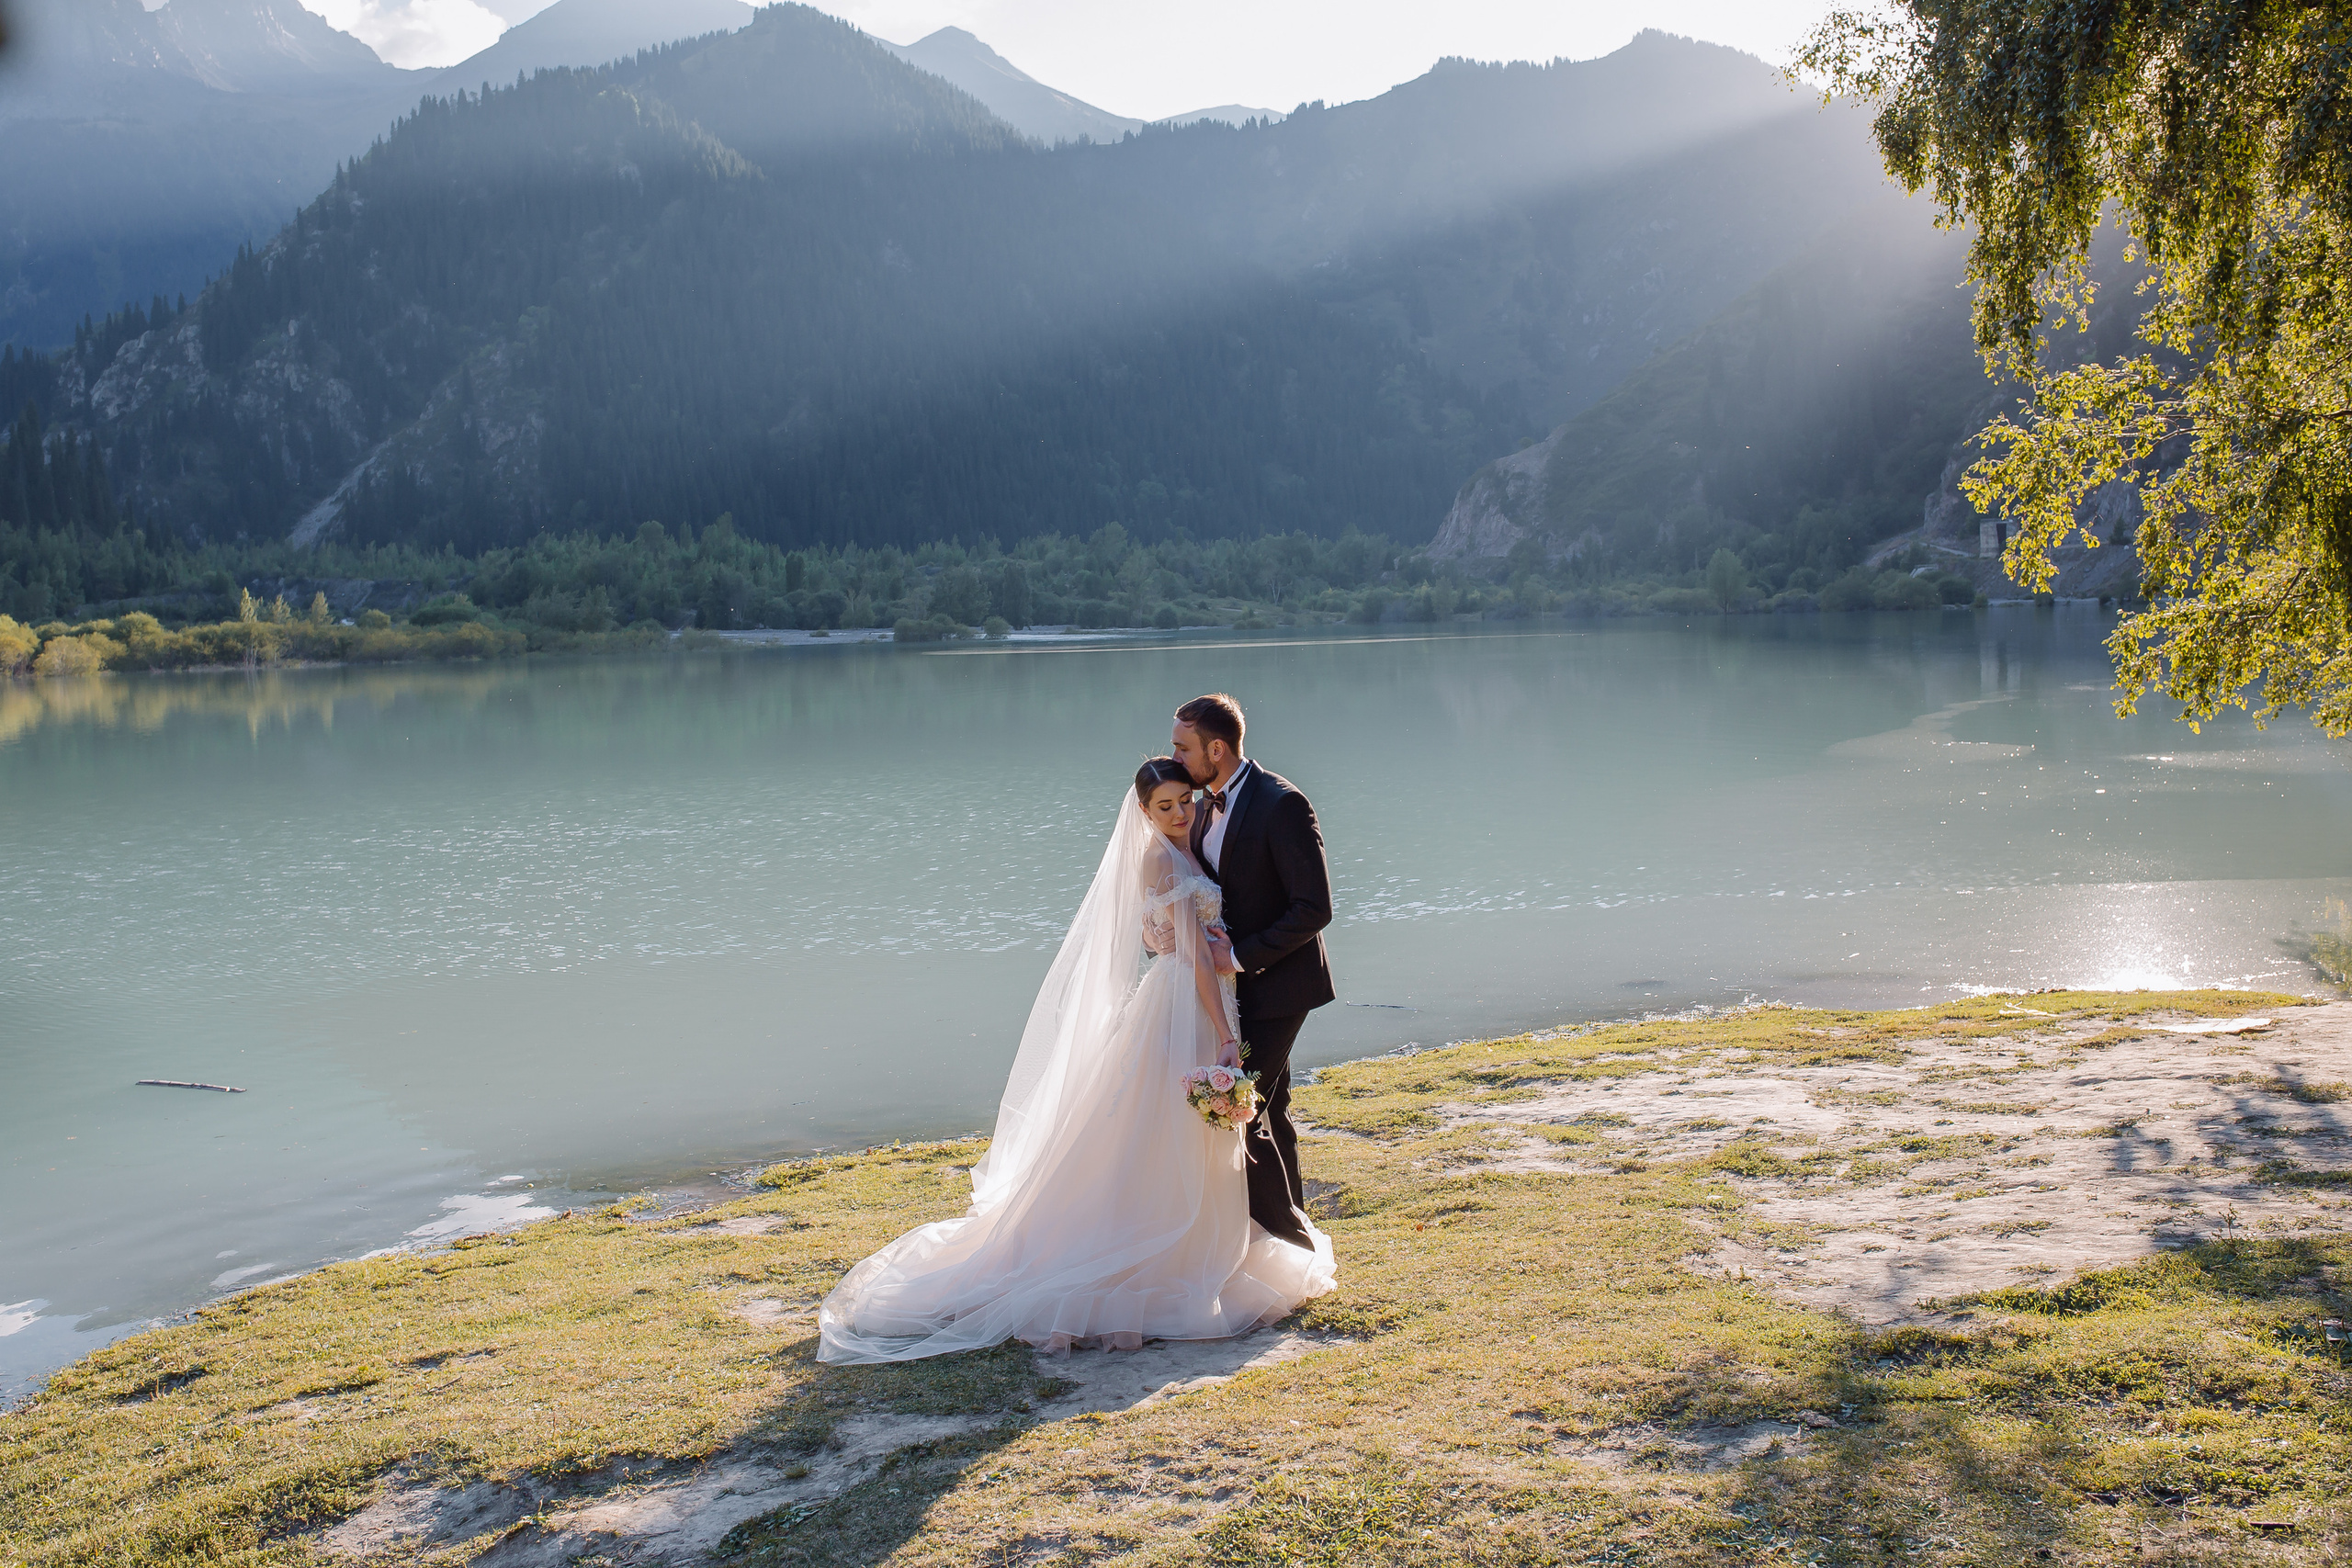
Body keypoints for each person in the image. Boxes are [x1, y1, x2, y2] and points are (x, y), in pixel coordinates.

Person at [818, 756, 1336, 1363]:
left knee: (1173, 1129)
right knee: (1163, 1126)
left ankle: (1203, 1238)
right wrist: (1226, 1034)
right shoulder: (1157, 855)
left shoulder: (1188, 847)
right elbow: (1191, 956)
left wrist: (1197, 941)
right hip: (1186, 1005)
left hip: (1188, 996)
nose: (1178, 812)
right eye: (1163, 806)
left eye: (1184, 801)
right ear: (1143, 811)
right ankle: (1152, 1253)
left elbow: (1163, 933)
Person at [1170, 694, 1335, 1248]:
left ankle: (1292, 1248)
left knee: (1241, 1106)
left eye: (1183, 747)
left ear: (1216, 749)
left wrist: (1236, 957)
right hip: (1228, 990)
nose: (1177, 756)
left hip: (1279, 985)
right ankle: (1293, 1229)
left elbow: (1314, 909)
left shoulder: (1281, 804)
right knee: (1272, 1104)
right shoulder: (1196, 803)